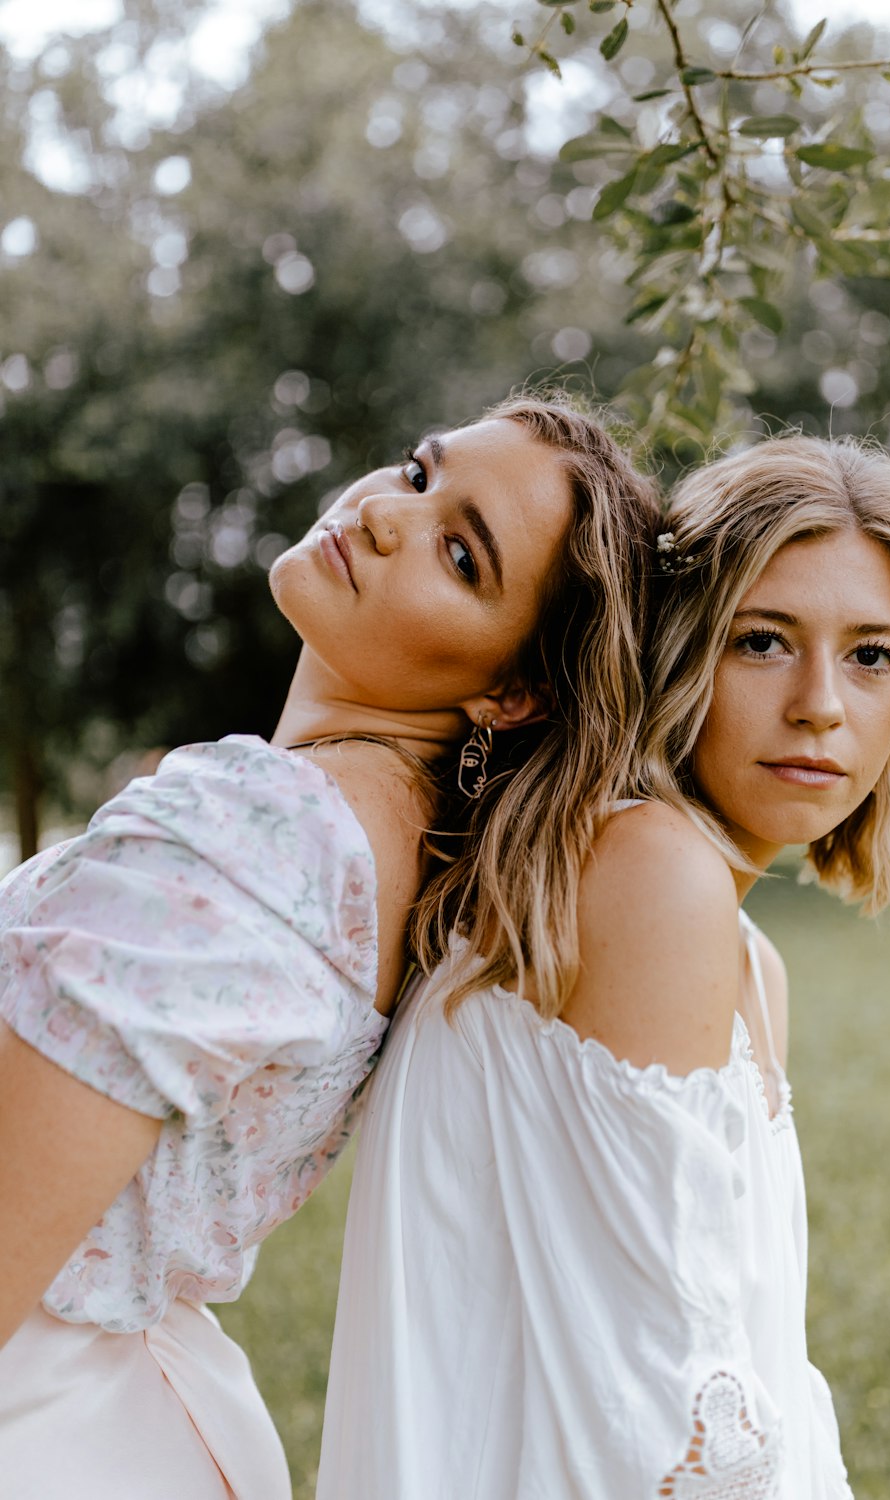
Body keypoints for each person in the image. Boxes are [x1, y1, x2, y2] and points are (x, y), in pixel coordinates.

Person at [0, 395, 660, 1499]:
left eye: (461, 554)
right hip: (129, 1420)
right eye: (416, 473)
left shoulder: (269, 834)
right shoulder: (390, 867)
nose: (388, 517)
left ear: (511, 689)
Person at [317, 434, 890, 1500]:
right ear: (675, 647)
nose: (821, 701)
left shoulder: (746, 958)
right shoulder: (650, 876)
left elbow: (742, 1362)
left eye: (872, 655)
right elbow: (660, 1425)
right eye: (762, 640)